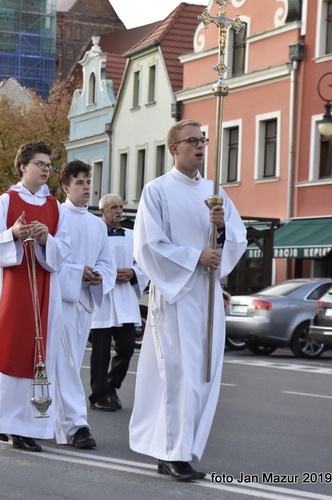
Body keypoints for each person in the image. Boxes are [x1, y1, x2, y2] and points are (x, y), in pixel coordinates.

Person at [129, 119, 246, 481]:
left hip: (207, 296)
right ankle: (172, 452)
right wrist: (195, 257)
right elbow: (148, 245)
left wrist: (222, 227)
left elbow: (239, 238)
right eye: (192, 140)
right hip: (176, 295)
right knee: (178, 375)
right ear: (174, 148)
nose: (200, 146)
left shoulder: (215, 193)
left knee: (202, 375)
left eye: (203, 140)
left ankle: (184, 447)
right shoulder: (157, 191)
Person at [0, 141, 71, 453]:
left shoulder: (56, 206)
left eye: (49, 165)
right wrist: (13, 235)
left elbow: (65, 248)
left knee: (40, 358)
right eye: (40, 164)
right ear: (23, 167)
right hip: (14, 288)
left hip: (45, 287)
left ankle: (27, 426)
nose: (46, 170)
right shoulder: (6, 201)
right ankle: (5, 420)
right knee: (12, 349)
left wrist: (47, 239)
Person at [54, 161, 115, 449]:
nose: (86, 186)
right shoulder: (57, 217)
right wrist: (78, 272)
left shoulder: (97, 225)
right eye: (79, 182)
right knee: (65, 362)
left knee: (70, 363)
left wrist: (99, 275)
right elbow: (50, 259)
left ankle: (49, 420)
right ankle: (78, 426)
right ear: (66, 188)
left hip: (84, 303)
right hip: (59, 300)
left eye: (88, 181)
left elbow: (106, 261)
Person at [88, 193, 148, 412]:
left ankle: (112, 386)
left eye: (121, 206)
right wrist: (104, 273)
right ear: (103, 211)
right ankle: (98, 395)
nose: (118, 211)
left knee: (127, 348)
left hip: (124, 299)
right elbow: (87, 261)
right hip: (102, 299)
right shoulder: (94, 234)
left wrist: (133, 273)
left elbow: (143, 263)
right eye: (113, 207)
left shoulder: (132, 235)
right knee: (100, 352)